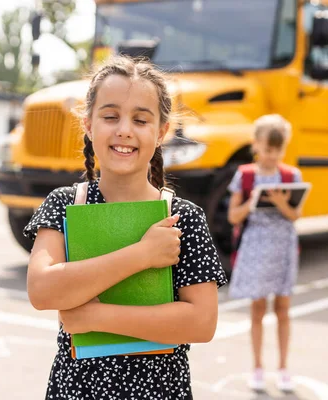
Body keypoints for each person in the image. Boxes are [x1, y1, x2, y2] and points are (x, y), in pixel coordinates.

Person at [23, 55, 227, 400]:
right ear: (88, 124)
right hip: (78, 391)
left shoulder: (182, 217)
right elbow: (42, 290)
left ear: (162, 132)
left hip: (159, 391)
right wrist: (142, 255)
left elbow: (201, 323)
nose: (124, 130)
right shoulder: (65, 204)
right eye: (110, 116)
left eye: (141, 119)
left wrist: (94, 317)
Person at [227, 114, 302, 392]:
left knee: (283, 309)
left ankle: (283, 367)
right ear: (256, 145)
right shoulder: (245, 176)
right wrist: (253, 201)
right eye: (268, 150)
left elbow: (295, 215)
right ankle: (257, 366)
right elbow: (234, 216)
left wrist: (282, 202)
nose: (273, 157)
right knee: (257, 308)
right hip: (256, 247)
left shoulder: (291, 175)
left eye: (278, 151)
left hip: (283, 248)